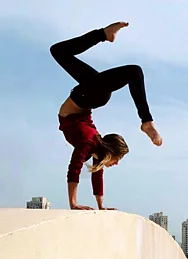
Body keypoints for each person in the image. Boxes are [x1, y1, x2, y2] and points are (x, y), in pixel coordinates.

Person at [51, 22, 162, 210]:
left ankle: (104, 34)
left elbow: (84, 171)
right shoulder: (90, 143)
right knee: (134, 72)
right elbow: (79, 171)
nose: (116, 163)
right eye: (117, 159)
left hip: (88, 97)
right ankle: (146, 121)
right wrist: (74, 203)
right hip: (87, 97)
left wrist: (97, 206)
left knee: (59, 51)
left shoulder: (89, 145)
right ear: (109, 151)